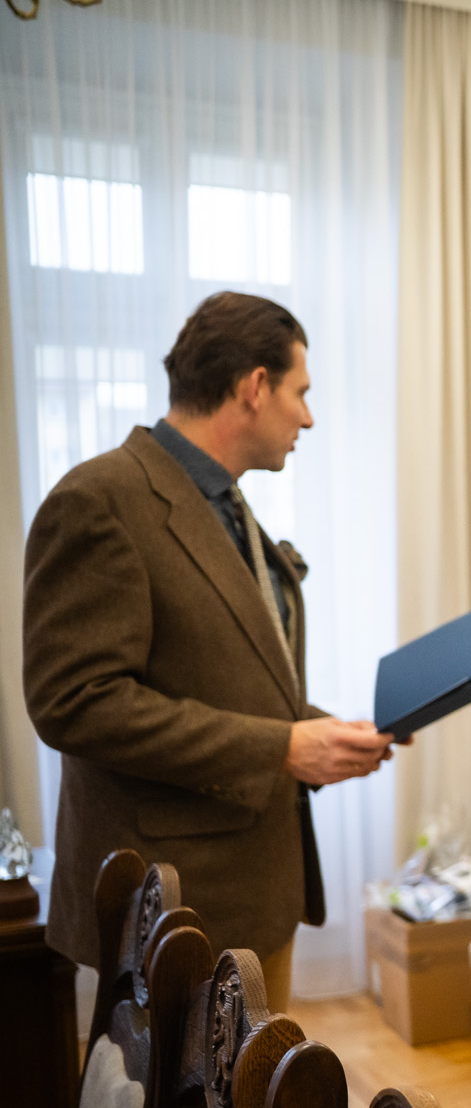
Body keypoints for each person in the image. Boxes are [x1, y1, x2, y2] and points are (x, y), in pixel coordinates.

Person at [23, 292, 395, 1010]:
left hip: (257, 889)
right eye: (300, 393)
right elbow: (75, 703)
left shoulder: (226, 502)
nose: (308, 418)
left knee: (259, 1088)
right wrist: (282, 748)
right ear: (255, 387)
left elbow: (230, 671)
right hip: (176, 909)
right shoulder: (98, 499)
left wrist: (324, 733)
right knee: (187, 1094)